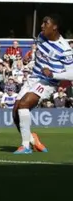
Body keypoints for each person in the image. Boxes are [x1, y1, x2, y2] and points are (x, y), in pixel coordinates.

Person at [12, 15, 71, 154]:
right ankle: (33, 139)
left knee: (24, 104)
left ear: (54, 27)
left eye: (46, 23)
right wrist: (31, 57)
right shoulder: (41, 36)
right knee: (15, 112)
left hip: (47, 82)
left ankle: (25, 146)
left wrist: (52, 74)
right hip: (33, 78)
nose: (42, 26)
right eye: (42, 23)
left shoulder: (65, 49)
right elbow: (40, 53)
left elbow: (72, 73)